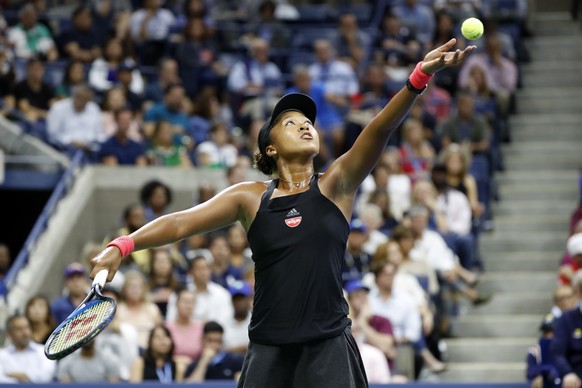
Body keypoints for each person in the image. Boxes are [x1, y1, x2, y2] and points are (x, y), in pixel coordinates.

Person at [90, 38, 475, 387]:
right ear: (270, 149)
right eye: (290, 123)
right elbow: (181, 222)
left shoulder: (336, 184)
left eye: (307, 121)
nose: (305, 125)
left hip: (327, 348)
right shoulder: (250, 198)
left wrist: (419, 76)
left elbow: (378, 129)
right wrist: (123, 245)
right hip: (269, 349)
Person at [0, 314, 56, 383]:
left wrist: (13, 375)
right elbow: (1, 380)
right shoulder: (2, 355)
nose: (25, 332)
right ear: (9, 334)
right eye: (19, 329)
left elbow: (46, 376)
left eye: (27, 327)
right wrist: (30, 377)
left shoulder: (45, 351)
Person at [56, 340, 121, 383]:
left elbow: (114, 383)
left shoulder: (109, 359)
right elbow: (64, 384)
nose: (87, 339)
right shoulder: (67, 361)